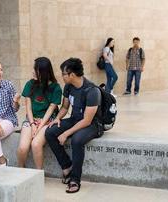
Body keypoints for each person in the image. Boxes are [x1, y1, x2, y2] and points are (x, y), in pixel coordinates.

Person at [45, 58, 102, 193]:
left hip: (92, 124)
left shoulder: (92, 91)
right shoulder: (68, 87)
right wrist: (57, 118)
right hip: (75, 119)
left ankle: (75, 179)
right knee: (50, 132)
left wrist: (65, 133)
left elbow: (87, 121)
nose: (61, 76)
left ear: (71, 75)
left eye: (63, 73)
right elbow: (65, 107)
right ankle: (67, 166)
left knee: (77, 140)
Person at [17, 57, 62, 169]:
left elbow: (51, 109)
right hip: (31, 120)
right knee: (23, 147)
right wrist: (32, 125)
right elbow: (28, 107)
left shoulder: (55, 88)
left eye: (35, 69)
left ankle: (38, 174)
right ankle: (20, 170)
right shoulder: (30, 84)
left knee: (36, 144)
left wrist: (40, 126)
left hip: (47, 121)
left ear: (44, 72)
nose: (33, 71)